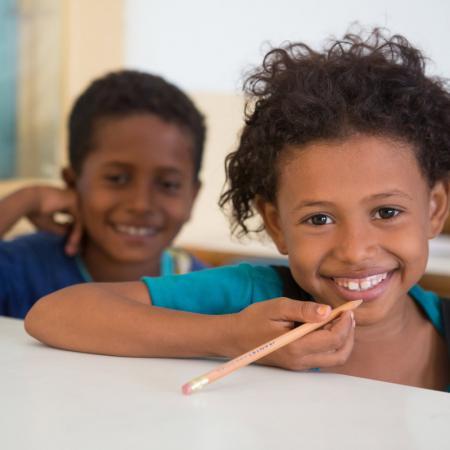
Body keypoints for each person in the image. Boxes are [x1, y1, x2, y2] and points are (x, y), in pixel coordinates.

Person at [25, 29, 450, 391]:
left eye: (387, 212)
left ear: (434, 209)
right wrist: (230, 337)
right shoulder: (254, 300)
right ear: (276, 225)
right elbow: (52, 315)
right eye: (319, 219)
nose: (356, 251)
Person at [0, 70, 207, 318]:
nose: (141, 204)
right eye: (117, 179)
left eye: (168, 184)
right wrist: (25, 199)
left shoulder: (208, 292)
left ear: (193, 196)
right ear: (72, 183)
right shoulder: (21, 268)